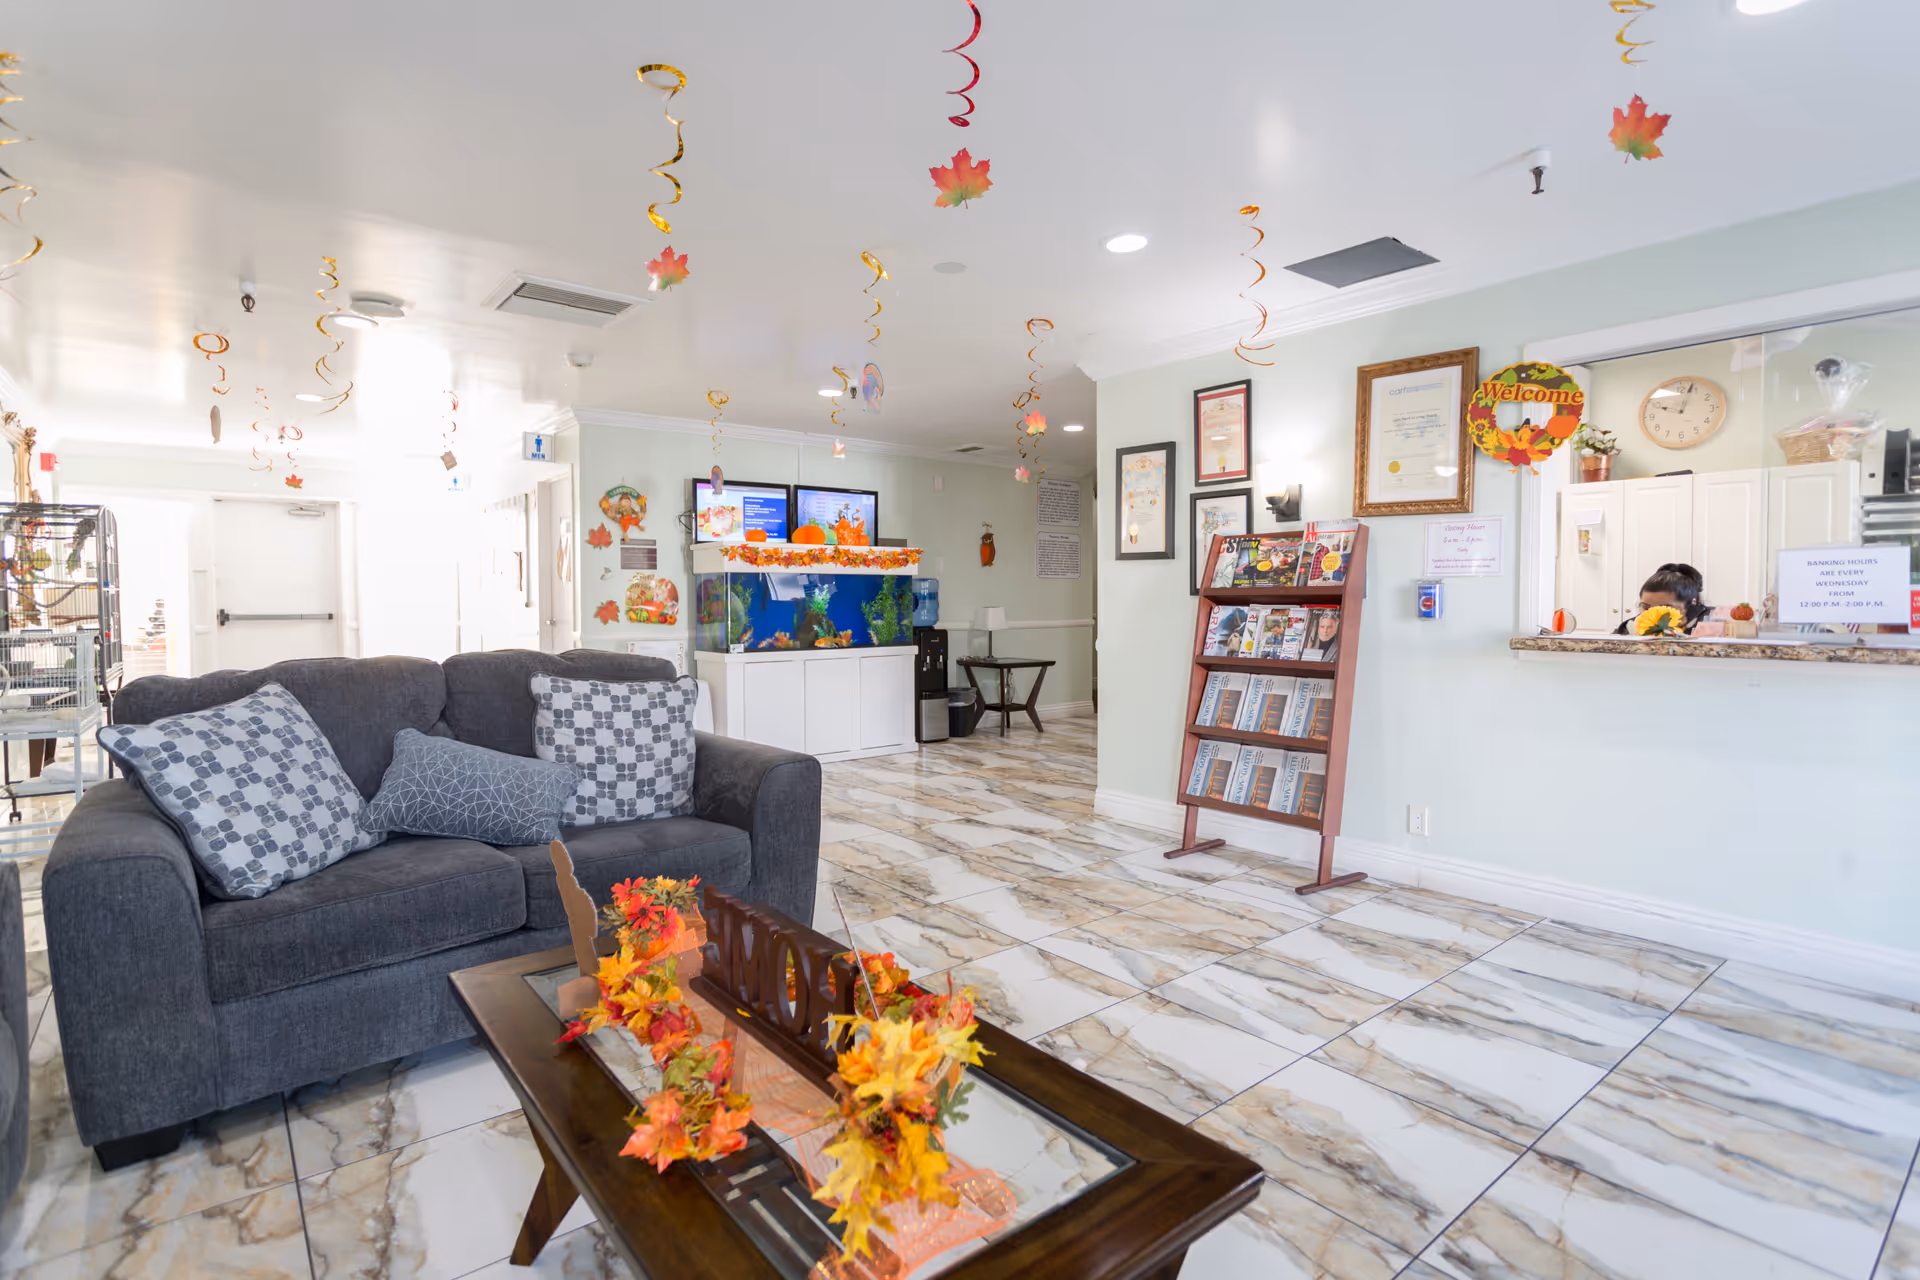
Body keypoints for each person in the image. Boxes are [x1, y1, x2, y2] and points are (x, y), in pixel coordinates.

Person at [1616, 562, 1710, 634]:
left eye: (1664, 608)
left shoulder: (1711, 622)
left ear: (1691, 604)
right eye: (1646, 607)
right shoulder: (1630, 627)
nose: (1653, 614)